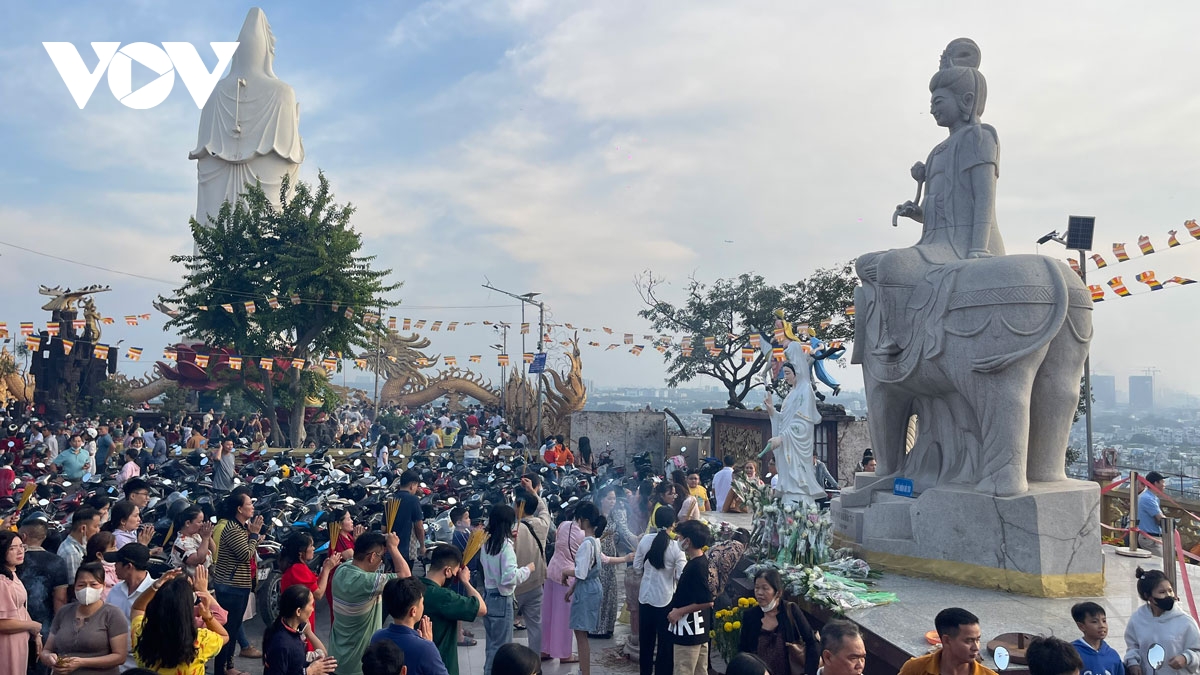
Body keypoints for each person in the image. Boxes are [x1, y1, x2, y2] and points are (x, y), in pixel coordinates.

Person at [561, 502, 634, 675]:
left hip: (586, 590)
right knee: (582, 634)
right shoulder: (595, 541)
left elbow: (581, 572)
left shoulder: (586, 544)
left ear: (584, 520)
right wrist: (572, 589)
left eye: (577, 518)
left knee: (581, 636)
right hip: (591, 587)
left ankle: (584, 671)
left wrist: (566, 571)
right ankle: (583, 670)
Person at [330, 532, 409, 675]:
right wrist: (393, 547)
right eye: (381, 557)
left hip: (336, 658)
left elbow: (353, 557)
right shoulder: (366, 583)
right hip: (356, 666)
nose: (382, 562)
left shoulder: (342, 570)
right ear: (372, 557)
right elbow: (405, 577)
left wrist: (364, 541)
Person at [131, 568, 228, 675]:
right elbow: (224, 635)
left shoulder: (141, 634)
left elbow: (138, 609)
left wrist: (156, 585)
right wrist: (207, 615)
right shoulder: (200, 642)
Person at [39, 561, 129, 675]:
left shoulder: (113, 614)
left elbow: (119, 657)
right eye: (81, 585)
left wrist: (81, 662)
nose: (87, 589)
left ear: (103, 586)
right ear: (75, 587)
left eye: (93, 584)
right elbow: (46, 650)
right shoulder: (64, 612)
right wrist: (49, 658)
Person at [211, 489, 265, 675]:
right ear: (240, 509)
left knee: (232, 630)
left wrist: (252, 536)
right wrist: (254, 536)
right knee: (228, 630)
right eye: (249, 504)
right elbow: (245, 554)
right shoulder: (233, 529)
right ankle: (222, 669)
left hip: (237, 585)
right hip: (231, 587)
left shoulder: (241, 527)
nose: (252, 507)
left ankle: (229, 667)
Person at [480, 504, 535, 675]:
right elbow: (509, 577)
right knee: (502, 648)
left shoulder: (486, 543)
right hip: (502, 599)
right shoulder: (505, 547)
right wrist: (528, 569)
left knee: (492, 645)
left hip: (489, 596)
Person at [763, 362, 826, 507]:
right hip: (786, 443)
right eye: (784, 373)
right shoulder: (791, 393)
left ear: (797, 372)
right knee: (787, 472)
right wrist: (772, 410)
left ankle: (797, 498)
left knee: (797, 474)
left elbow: (803, 422)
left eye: (787, 373)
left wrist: (782, 437)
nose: (785, 377)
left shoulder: (805, 390)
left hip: (796, 443)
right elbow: (784, 419)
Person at [737, 568, 820, 675]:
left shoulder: (791, 610)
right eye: (756, 588)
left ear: (778, 592)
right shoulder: (750, 616)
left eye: (765, 588)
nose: (759, 593)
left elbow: (812, 642)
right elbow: (743, 649)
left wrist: (809, 672)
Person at [421, 545, 485, 675]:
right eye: (455, 573)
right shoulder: (444, 597)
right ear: (448, 571)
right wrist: (466, 582)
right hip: (441, 664)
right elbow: (482, 608)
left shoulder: (414, 586)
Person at [635, 507, 684, 675]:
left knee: (646, 644)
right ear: (674, 524)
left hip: (645, 597)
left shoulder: (645, 541)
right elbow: (681, 576)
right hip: (665, 599)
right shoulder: (677, 548)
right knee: (665, 646)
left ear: (655, 521)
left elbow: (636, 567)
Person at [1125, 567, 1200, 675]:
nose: (1168, 595)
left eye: (1170, 590)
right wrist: (1133, 663)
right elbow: (1133, 646)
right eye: (1162, 592)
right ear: (1148, 596)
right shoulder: (1137, 619)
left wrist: (1186, 658)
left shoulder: (1186, 622)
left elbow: (1198, 651)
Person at [372, 577, 447, 675]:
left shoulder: (377, 637)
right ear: (413, 611)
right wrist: (429, 644)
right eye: (422, 603)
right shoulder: (425, 649)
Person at [668, 519, 713, 675]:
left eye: (680, 537)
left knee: (684, 669)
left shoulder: (697, 566)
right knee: (700, 670)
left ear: (688, 541)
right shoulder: (700, 562)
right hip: (699, 630)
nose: (678, 540)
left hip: (689, 630)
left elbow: (707, 601)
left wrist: (679, 611)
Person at [263, 584, 338, 675]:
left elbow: (323, 654)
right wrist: (309, 671)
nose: (313, 609)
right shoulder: (281, 644)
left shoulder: (294, 628)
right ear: (298, 611)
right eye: (311, 605)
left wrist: (309, 633)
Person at [543, 504, 586, 664]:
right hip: (567, 576)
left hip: (552, 569)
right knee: (563, 617)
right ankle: (563, 654)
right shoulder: (583, 534)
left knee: (548, 613)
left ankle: (545, 649)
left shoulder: (562, 525)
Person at [897, 608, 996, 675]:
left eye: (978, 639)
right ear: (947, 640)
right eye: (969, 641)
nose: (976, 647)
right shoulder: (915, 669)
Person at [18, 516, 68, 640]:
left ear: (23, 537)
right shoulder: (57, 562)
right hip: (45, 624)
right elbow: (60, 598)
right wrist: (58, 627)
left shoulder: (13, 560)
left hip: (14, 623)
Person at [279, 533, 338, 636]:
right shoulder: (297, 569)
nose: (313, 548)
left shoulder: (298, 567)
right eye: (311, 546)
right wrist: (327, 569)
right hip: (298, 618)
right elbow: (318, 593)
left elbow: (315, 584)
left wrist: (326, 569)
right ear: (300, 553)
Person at [0, 530, 41, 672]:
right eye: (12, 548)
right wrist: (32, 625)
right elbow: (2, 623)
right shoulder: (2, 582)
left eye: (21, 546)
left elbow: (20, 609)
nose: (19, 551)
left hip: (18, 640)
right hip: (7, 642)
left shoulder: (12, 574)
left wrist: (36, 633)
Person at [514, 488, 549, 654]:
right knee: (535, 625)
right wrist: (533, 492)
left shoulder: (512, 530)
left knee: (506, 628)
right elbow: (544, 509)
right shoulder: (543, 524)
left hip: (516, 586)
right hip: (536, 583)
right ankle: (535, 664)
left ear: (519, 507)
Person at [592, 486, 627, 639]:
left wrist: (636, 539)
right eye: (609, 498)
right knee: (600, 591)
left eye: (614, 498)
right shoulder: (595, 516)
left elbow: (625, 531)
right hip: (598, 554)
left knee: (611, 591)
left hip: (611, 553)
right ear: (602, 499)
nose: (612, 501)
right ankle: (595, 628)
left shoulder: (615, 515)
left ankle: (608, 627)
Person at [1070, 601, 1123, 675]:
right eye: (1094, 622)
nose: (1102, 625)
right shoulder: (1071, 653)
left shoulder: (1112, 655)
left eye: (1104, 621)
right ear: (1081, 626)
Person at [392, 470, 426, 568]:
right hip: (406, 550)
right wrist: (422, 546)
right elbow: (419, 526)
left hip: (391, 550)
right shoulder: (413, 500)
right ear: (412, 485)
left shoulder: (391, 499)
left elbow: (384, 528)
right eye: (416, 486)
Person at [169, 505, 214, 576]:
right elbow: (198, 560)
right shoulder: (181, 543)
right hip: (189, 582)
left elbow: (213, 551)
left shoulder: (196, 535)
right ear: (188, 523)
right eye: (199, 522)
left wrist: (208, 537)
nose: (202, 525)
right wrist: (205, 539)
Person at [1137, 471, 1166, 554]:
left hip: (1153, 537)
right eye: (1162, 482)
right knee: (1159, 563)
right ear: (1156, 483)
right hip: (1150, 538)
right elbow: (1160, 518)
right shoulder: (1148, 499)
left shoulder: (1153, 498)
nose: (1164, 485)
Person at [85, 531, 120, 599]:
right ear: (99, 555)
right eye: (113, 547)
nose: (116, 550)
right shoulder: (95, 575)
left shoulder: (115, 568)